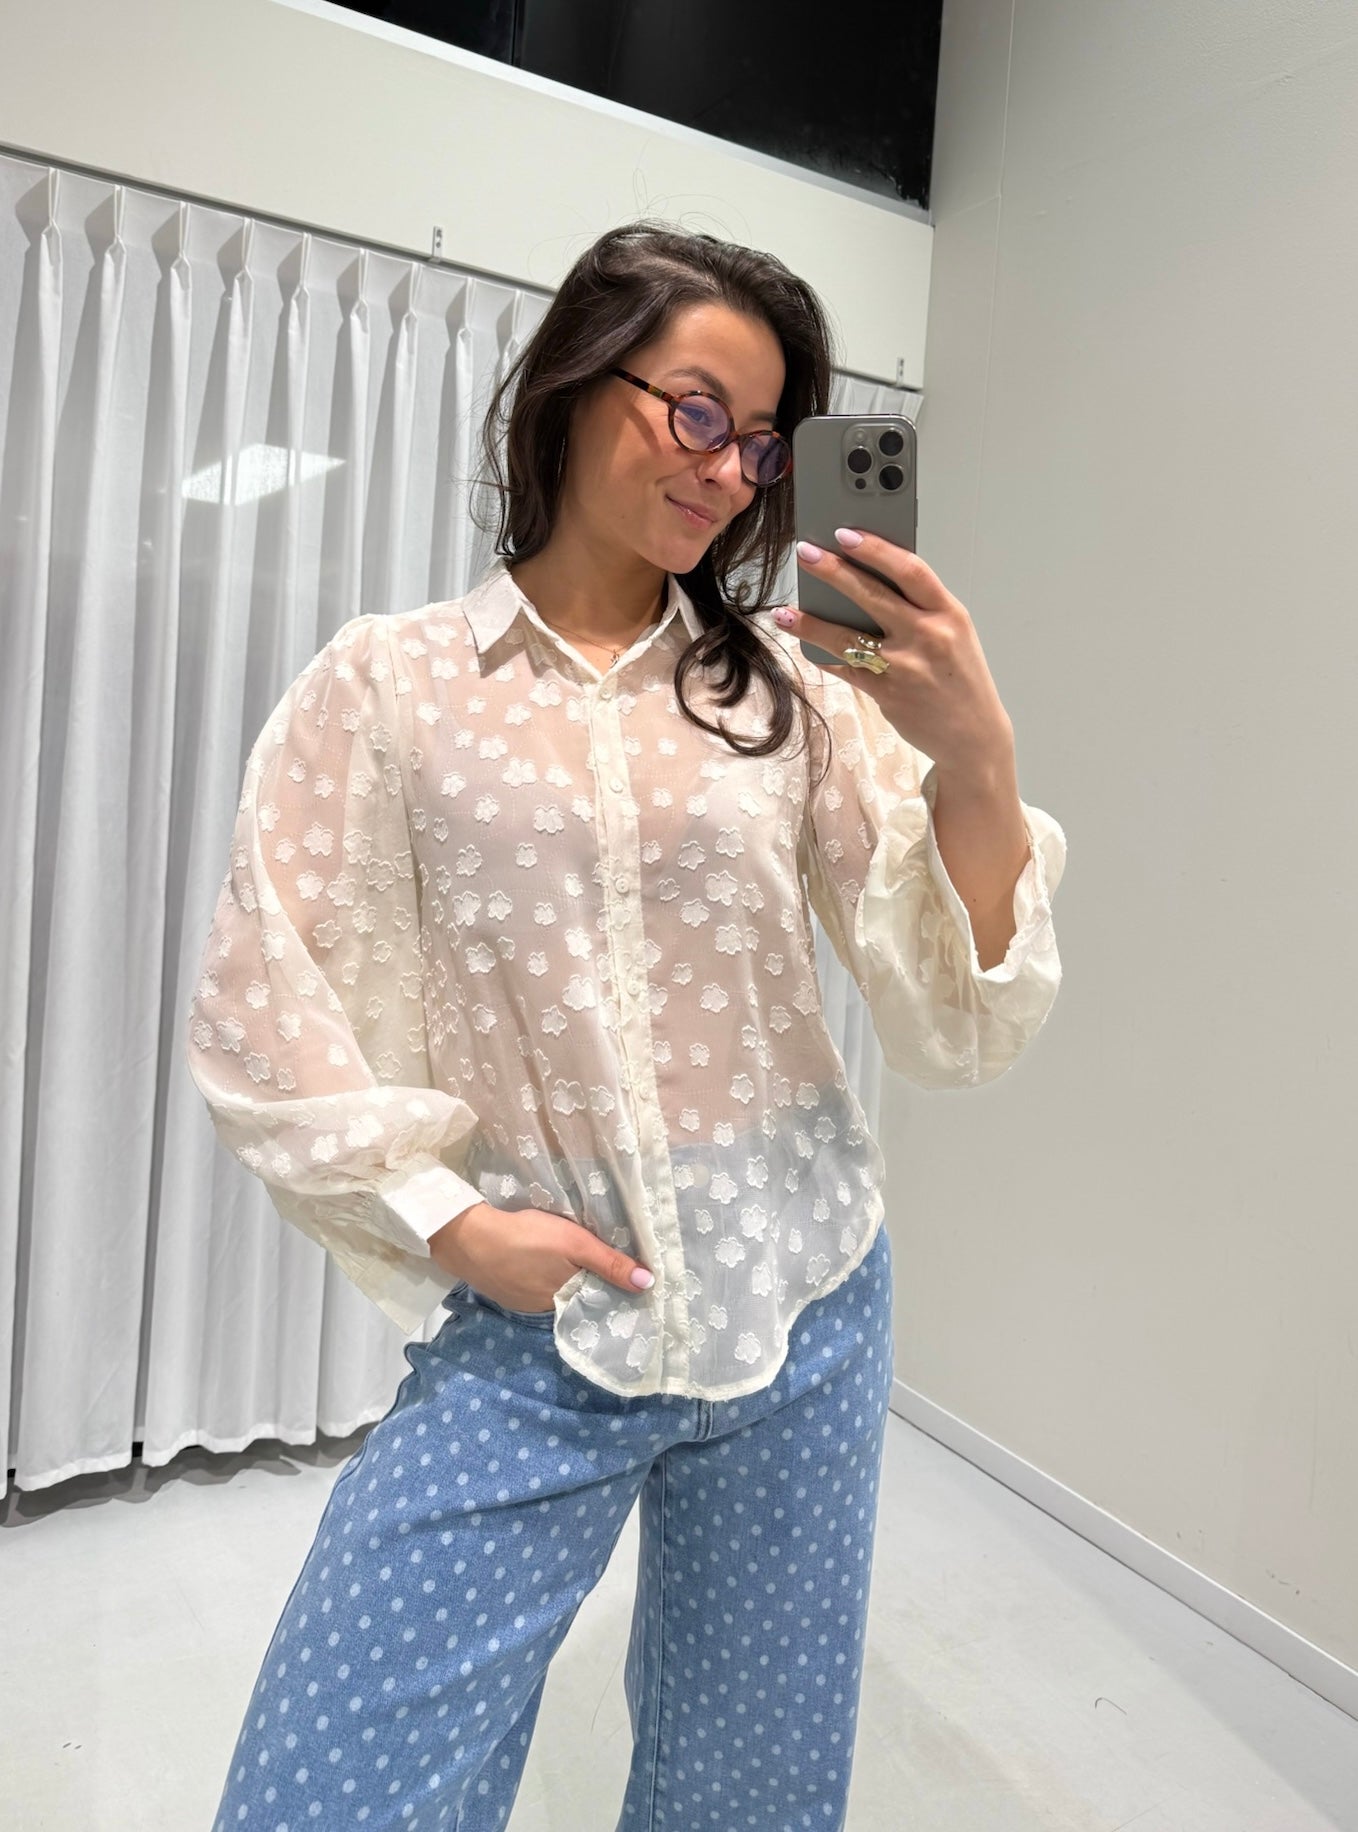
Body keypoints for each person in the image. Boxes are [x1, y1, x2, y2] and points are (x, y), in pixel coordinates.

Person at [187, 217, 1066, 1830]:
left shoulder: (789, 695)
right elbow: (267, 1000)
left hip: (804, 1297)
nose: (730, 471)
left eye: (763, 443)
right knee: (337, 1783)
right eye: (698, 412)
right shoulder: (389, 685)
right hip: (544, 1312)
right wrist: (454, 1226)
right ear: (578, 382)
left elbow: (948, 1012)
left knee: (749, 1785)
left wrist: (975, 753)